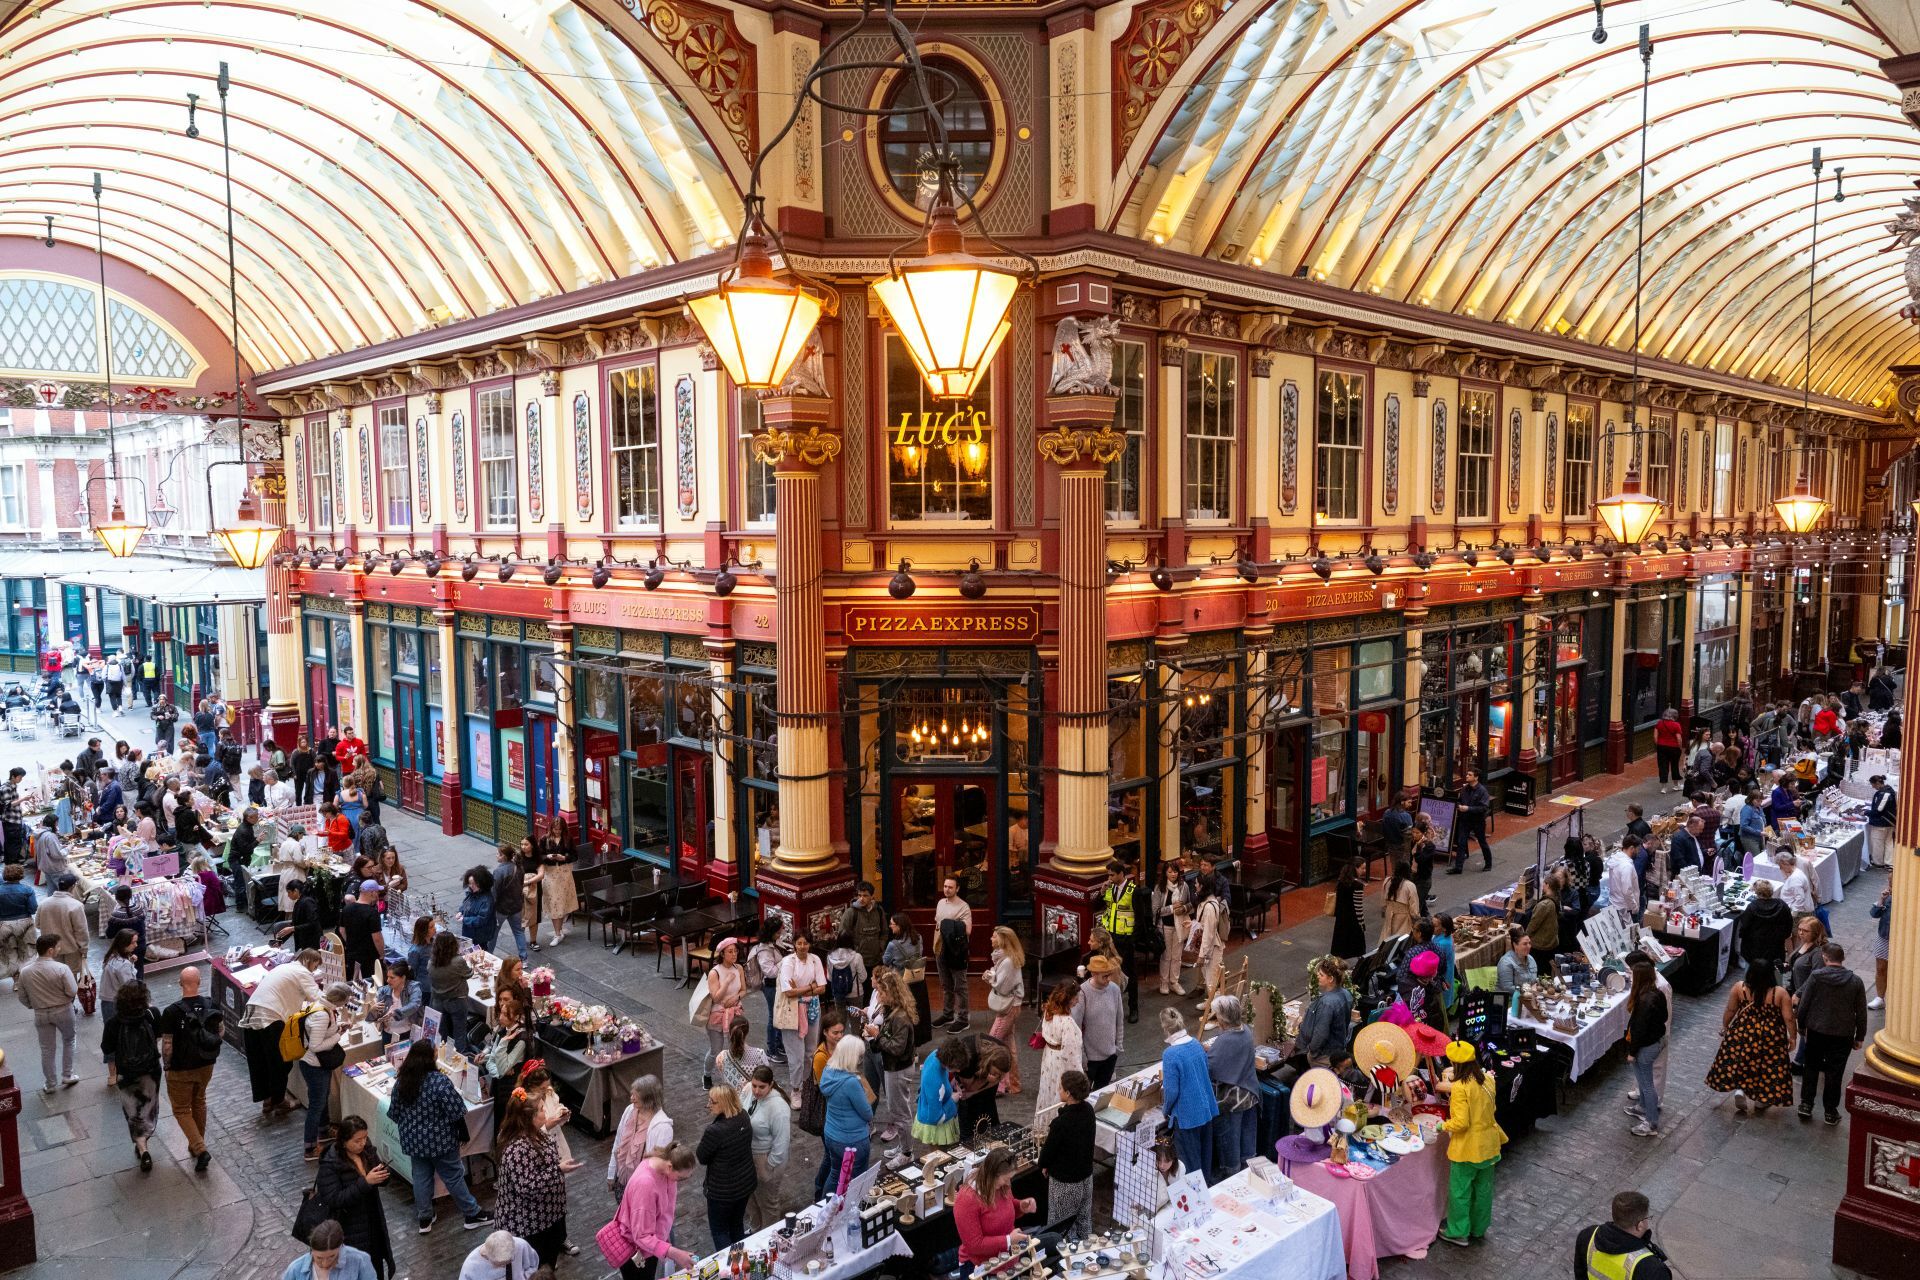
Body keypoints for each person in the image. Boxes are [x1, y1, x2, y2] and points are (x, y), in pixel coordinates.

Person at [385, 1038, 492, 1233]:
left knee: (420, 1177)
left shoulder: (402, 1082)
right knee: (453, 1177)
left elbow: (394, 1113)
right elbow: (457, 1110)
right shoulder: (439, 1082)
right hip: (440, 1141)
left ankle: (425, 1218)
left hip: (413, 1141)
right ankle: (472, 1213)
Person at [1434, 1040, 1505, 1247]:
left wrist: (1441, 1126)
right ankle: (1478, 1228)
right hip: (1489, 1143)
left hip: (1467, 1148)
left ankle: (1458, 1232)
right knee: (1483, 1190)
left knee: (1460, 1192)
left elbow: (1461, 1123)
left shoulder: (1460, 1087)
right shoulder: (1487, 1079)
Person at [1704, 959, 1796, 1117]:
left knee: (1744, 1061)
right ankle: (1761, 1099)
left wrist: (1725, 1026)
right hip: (1770, 1036)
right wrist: (1793, 1037)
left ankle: (1740, 1088)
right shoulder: (1779, 993)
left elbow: (1731, 1010)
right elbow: (1789, 1018)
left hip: (1744, 1031)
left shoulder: (1740, 988)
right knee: (1767, 1066)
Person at [314, 1116, 398, 1279]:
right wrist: (366, 1182)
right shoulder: (330, 1164)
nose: (362, 1143)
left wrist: (383, 1174)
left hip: (373, 1221)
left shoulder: (366, 1150)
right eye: (357, 1140)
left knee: (375, 1266)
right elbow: (334, 1199)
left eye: (365, 1138)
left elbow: (382, 1179)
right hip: (348, 1228)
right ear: (344, 1141)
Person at [240, 948, 323, 1113]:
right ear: (311, 962)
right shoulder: (302, 972)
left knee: (259, 1061)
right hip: (271, 1018)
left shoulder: (283, 967)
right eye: (315, 967)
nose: (314, 971)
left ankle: (267, 1098)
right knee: (280, 1061)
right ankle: (279, 1101)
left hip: (252, 1015)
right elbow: (317, 998)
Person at [494, 1088, 569, 1267]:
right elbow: (526, 1187)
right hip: (529, 1226)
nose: (545, 1112)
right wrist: (558, 1170)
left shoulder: (537, 1133)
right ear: (530, 1117)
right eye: (542, 1109)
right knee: (534, 1270)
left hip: (549, 1218)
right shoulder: (516, 1148)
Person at [158, 965, 222, 1172]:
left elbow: (167, 1044)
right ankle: (196, 1144)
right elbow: (220, 1031)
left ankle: (200, 1149)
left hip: (181, 1067)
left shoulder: (171, 1012)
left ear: (179, 983)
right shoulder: (211, 1004)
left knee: (181, 1108)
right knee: (199, 1101)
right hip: (206, 1064)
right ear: (199, 982)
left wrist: (167, 1066)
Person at [1795, 941, 1867, 1125]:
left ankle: (1806, 1104)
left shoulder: (1816, 977)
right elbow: (1861, 1011)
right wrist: (1860, 1036)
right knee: (1835, 1072)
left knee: (1811, 1067)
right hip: (1843, 1033)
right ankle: (1830, 1111)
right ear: (1843, 959)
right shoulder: (1856, 981)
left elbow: (1805, 1003)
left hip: (1817, 1030)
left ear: (1825, 958)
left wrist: (1801, 1025)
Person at [604, 1142, 698, 1280]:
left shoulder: (662, 1166)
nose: (682, 1181)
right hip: (638, 1255)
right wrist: (675, 1253)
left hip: (650, 1249)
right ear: (670, 1166)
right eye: (681, 1178)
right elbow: (641, 1236)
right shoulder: (645, 1185)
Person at [100, 978, 163, 1172]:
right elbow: (159, 1035)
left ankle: (142, 1146)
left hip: (126, 1073)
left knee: (132, 1110)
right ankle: (145, 1140)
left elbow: (107, 1047)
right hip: (150, 1070)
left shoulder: (113, 1022)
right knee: (148, 1108)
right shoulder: (152, 1014)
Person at [955, 1146, 1047, 1266]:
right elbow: (974, 1245)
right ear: (993, 1175)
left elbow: (1004, 1210)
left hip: (1008, 1258)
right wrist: (1008, 1240)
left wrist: (1020, 1206)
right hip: (980, 1266)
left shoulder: (1002, 1186)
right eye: (1006, 1179)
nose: (1009, 1183)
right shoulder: (967, 1199)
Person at [1158, 1007, 1218, 1179]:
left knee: (1190, 1166)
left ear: (1165, 1028)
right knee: (1205, 1160)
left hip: (1187, 1117)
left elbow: (1171, 1090)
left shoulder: (1170, 1054)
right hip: (1206, 1110)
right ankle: (1206, 1196)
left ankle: (1195, 1201)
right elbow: (1206, 1071)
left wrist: (1166, 1109)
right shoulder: (1196, 1044)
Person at [1205, 994, 1259, 1178]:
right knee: (1246, 1139)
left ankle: (1231, 1174)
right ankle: (1247, 1172)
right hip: (1249, 1093)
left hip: (1232, 1100)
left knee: (1230, 1141)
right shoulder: (1246, 1030)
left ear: (1223, 1017)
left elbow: (1211, 1068)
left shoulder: (1226, 1040)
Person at [697, 1084, 757, 1248]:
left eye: (713, 1102)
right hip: (744, 1184)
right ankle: (741, 1263)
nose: (708, 1104)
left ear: (724, 1103)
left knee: (720, 1231)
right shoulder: (743, 1116)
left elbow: (702, 1156)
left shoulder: (715, 1131)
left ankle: (728, 1267)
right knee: (737, 1225)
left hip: (722, 1191)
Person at [299, 984, 355, 1161]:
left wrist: (338, 1028)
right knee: (316, 1105)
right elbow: (315, 1046)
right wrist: (338, 1036)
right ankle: (310, 1147)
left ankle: (323, 1131)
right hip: (314, 1065)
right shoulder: (322, 1015)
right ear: (338, 1000)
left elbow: (321, 1034)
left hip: (317, 1065)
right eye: (344, 1002)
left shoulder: (322, 1007)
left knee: (322, 1098)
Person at [17, 935, 79, 1094]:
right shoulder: (61, 968)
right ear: (50, 950)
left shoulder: (25, 972)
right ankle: (67, 1074)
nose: (60, 949)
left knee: (46, 1049)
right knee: (69, 1040)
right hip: (63, 1010)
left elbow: (22, 997)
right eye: (58, 947)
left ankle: (50, 1083)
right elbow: (72, 991)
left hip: (41, 1014)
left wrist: (34, 1005)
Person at [1038, 1068, 1095, 1239]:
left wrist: (1044, 1164)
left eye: (1061, 1088)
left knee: (1062, 1227)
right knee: (1084, 1219)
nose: (1058, 1090)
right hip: (1086, 1177)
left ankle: (1065, 1262)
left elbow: (1047, 1153)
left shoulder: (1061, 1123)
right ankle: (1087, 1253)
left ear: (1069, 1093)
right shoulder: (1088, 1111)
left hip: (1066, 1184)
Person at [816, 1034, 874, 1199]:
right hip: (853, 1140)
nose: (860, 1060)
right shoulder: (851, 1083)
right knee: (856, 1181)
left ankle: (826, 1206)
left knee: (835, 1173)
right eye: (859, 1056)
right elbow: (867, 1113)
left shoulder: (827, 1071)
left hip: (832, 1135)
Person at [1574, 1191, 1674, 1280]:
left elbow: (1580, 1274)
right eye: (1647, 1218)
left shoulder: (1587, 1235)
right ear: (1639, 1225)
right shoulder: (1653, 1269)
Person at [868, 969, 918, 1141]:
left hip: (898, 1068)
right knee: (897, 1110)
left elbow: (896, 1048)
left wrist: (877, 1036)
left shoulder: (900, 1017)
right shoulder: (892, 1012)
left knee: (900, 1113)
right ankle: (903, 1148)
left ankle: (906, 1153)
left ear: (890, 993)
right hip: (894, 1067)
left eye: (881, 992)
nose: (879, 996)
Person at [775, 931, 828, 1093]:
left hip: (812, 1009)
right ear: (794, 944)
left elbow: (822, 988)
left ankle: (807, 1084)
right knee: (796, 1056)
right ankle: (795, 1089)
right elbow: (788, 992)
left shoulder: (815, 960)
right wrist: (810, 986)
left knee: (810, 1052)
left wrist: (800, 989)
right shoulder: (788, 962)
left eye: (805, 943)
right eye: (799, 943)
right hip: (792, 1011)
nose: (802, 947)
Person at [607, 1074, 673, 1195]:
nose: (631, 1099)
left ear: (648, 1099)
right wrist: (611, 1174)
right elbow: (618, 1142)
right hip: (622, 1180)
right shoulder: (630, 1110)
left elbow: (658, 1164)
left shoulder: (663, 1127)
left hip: (643, 1189)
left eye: (635, 1096)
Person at [1034, 979, 1085, 1136]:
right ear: (1068, 999)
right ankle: (1055, 1131)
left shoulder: (1049, 1012)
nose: (1077, 1001)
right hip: (1060, 1063)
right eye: (1076, 997)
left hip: (1049, 1058)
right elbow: (1071, 1055)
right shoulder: (1067, 1022)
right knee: (1058, 1095)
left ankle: (1042, 1131)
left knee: (1047, 1092)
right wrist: (1080, 1078)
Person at [1624, 962, 1669, 1138]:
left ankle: (1651, 1123)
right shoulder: (1657, 993)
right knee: (1644, 1081)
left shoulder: (1643, 1000)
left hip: (1645, 1047)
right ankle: (1642, 1108)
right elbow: (1664, 1016)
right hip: (1656, 1041)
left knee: (1646, 1084)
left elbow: (1639, 1030)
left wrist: (1632, 1052)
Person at [743, 1066, 791, 1230]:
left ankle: (770, 1234)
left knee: (768, 1201)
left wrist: (769, 1166)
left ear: (770, 1085)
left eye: (761, 1087)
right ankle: (756, 1227)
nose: (756, 1090)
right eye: (754, 1085)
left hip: (766, 1157)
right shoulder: (748, 1089)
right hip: (747, 1155)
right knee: (750, 1196)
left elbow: (781, 1142)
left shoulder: (779, 1107)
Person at [1095, 859, 1141, 1023]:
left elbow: (1140, 916)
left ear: (1121, 874)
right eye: (1108, 875)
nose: (1110, 878)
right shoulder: (1109, 888)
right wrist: (1101, 892)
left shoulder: (1133, 890)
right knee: (1110, 973)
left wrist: (1132, 939)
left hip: (1125, 938)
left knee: (1129, 973)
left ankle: (1133, 1007)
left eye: (1112, 875)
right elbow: (1098, 906)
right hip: (1110, 938)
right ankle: (1112, 1008)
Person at [984, 925, 1026, 1093]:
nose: (991, 939)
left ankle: (998, 1085)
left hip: (1008, 1008)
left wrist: (990, 978)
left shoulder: (1007, 961)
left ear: (1002, 940)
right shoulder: (1004, 959)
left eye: (994, 936)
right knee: (1009, 1047)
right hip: (1011, 1006)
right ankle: (1013, 1084)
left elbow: (1002, 986)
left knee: (991, 1043)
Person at [1074, 954, 1125, 1088]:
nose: (1108, 979)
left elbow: (1119, 1019)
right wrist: (1083, 1058)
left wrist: (1118, 1046)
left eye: (1109, 975)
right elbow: (1076, 1027)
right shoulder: (1082, 993)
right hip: (1090, 1059)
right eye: (1105, 976)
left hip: (1110, 1055)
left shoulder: (1114, 989)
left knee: (1102, 1093)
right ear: (1094, 974)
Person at [703, 937, 748, 1088]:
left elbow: (743, 990)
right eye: (730, 952)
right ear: (722, 954)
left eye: (735, 951)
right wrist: (727, 982)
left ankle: (732, 1078)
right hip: (718, 1015)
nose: (734, 954)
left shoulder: (739, 968)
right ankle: (707, 1074)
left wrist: (737, 996)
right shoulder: (714, 973)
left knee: (735, 1046)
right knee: (716, 1050)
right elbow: (716, 997)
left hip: (735, 1014)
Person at [933, 876, 973, 1030]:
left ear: (957, 889)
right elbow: (937, 925)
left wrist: (948, 925)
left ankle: (963, 1019)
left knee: (960, 986)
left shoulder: (964, 907)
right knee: (945, 984)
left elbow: (968, 930)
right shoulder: (940, 903)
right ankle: (948, 1014)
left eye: (950, 887)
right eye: (945, 886)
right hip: (940, 949)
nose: (946, 889)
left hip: (956, 951)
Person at [281, 1220, 380, 1280]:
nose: (325, 1264)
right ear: (312, 1249)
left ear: (341, 1246)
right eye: (319, 1258)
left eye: (332, 1256)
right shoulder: (295, 1269)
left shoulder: (360, 1260)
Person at [838, 881, 887, 995]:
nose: (861, 899)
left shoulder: (879, 911)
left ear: (872, 897)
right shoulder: (851, 913)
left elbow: (884, 932)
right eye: (859, 895)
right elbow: (842, 936)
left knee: (876, 992)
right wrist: (853, 954)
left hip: (876, 960)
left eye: (865, 896)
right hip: (858, 962)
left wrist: (880, 947)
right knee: (860, 994)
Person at [428, 933, 475, 1052]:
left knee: (441, 1032)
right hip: (457, 1001)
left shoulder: (431, 963)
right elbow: (468, 973)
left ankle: (442, 1056)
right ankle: (459, 1057)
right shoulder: (458, 961)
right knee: (459, 1032)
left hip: (438, 1001)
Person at [915, 1037, 965, 1147]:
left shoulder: (936, 1054)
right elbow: (936, 1117)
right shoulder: (935, 1082)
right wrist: (952, 1100)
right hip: (937, 1126)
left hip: (931, 1113)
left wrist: (951, 1085)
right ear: (949, 1062)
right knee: (941, 1156)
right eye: (957, 1067)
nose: (959, 1070)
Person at [534, 825, 579, 948]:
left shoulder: (568, 838)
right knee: (554, 902)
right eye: (555, 829)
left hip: (564, 874)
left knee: (562, 902)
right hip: (551, 874)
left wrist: (564, 857)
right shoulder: (544, 839)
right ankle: (557, 933)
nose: (557, 831)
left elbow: (575, 855)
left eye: (559, 829)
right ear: (551, 828)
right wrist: (547, 857)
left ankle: (559, 929)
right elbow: (538, 856)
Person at [35, 873, 87, 978]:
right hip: (71, 948)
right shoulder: (76, 906)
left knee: (55, 977)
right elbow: (81, 931)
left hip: (50, 949)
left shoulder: (43, 903)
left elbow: (38, 924)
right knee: (70, 977)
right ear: (73, 886)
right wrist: (84, 948)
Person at [1152, 861, 1191, 996]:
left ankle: (1174, 982)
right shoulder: (1159, 888)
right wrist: (1171, 908)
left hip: (1180, 925)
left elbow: (1189, 904)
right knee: (1166, 956)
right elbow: (1155, 910)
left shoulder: (1184, 886)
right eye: (1170, 872)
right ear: (1165, 873)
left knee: (1177, 956)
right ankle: (1164, 982)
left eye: (1175, 871)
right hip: (1165, 926)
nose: (1173, 874)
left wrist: (1184, 908)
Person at [1736, 879, 1794, 970]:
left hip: (1754, 950)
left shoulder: (1752, 907)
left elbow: (1744, 929)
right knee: (1776, 977)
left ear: (1757, 892)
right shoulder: (1782, 905)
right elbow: (1788, 927)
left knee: (1751, 977)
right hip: (1776, 949)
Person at [369, 960, 426, 1044]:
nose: (388, 980)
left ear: (403, 977)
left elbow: (414, 1005)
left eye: (392, 977)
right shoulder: (383, 991)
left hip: (408, 1034)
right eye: (387, 977)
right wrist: (373, 1010)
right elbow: (377, 1017)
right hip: (388, 1034)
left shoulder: (413, 988)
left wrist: (395, 1013)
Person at [491, 843, 529, 962]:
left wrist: (491, 907)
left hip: (502, 908)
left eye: (498, 854)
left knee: (493, 933)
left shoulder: (499, 871)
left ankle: (488, 955)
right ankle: (524, 958)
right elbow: (521, 884)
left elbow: (494, 891)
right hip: (516, 906)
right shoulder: (519, 867)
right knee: (518, 932)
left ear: (503, 856)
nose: (496, 855)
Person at [341, 880, 383, 983]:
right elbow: (377, 938)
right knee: (368, 983)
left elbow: (342, 930)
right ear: (372, 893)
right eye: (377, 892)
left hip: (352, 953)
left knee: (355, 982)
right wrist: (382, 954)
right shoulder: (372, 913)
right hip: (368, 956)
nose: (378, 895)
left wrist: (351, 942)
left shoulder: (347, 908)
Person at [1450, 769, 1493, 872]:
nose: (1467, 776)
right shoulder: (1464, 789)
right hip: (1465, 820)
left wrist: (1468, 808)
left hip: (1477, 821)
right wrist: (1458, 806)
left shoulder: (1482, 791)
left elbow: (1484, 808)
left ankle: (1488, 863)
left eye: (1470, 775)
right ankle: (1458, 867)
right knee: (1461, 842)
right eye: (1467, 774)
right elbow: (1458, 800)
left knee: (1482, 842)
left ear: (1476, 777)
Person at [458, 1231, 540, 1280]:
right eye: (499, 1264)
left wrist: (525, 1278)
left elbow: (533, 1266)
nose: (504, 1266)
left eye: (509, 1261)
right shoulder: (469, 1268)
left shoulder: (521, 1245)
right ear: (487, 1255)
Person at [1329, 857, 1367, 959]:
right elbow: (1358, 908)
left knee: (1340, 950)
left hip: (1341, 920)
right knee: (1359, 950)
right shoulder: (1358, 885)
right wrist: (1362, 924)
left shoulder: (1341, 881)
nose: (1364, 871)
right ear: (1356, 868)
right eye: (1362, 868)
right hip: (1353, 922)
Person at [1785, 915, 1830, 998]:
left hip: (1807, 996)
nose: (1801, 933)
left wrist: (1799, 994)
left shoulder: (1818, 953)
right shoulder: (1804, 943)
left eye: (1805, 931)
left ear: (1815, 933)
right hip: (1797, 990)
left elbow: (1816, 977)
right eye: (1799, 929)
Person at [459, 866, 499, 952]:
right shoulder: (472, 893)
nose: (471, 886)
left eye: (474, 883)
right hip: (470, 932)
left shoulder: (487, 900)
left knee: (479, 953)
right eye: (469, 883)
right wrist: (461, 911)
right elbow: (466, 905)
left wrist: (464, 919)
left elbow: (481, 919)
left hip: (480, 935)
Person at [1382, 858, 1420, 940]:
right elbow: (1414, 910)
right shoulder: (1410, 885)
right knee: (1400, 941)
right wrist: (1417, 920)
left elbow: (1384, 902)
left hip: (1389, 914)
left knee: (1387, 939)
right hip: (1404, 919)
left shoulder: (1387, 881)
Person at [1868, 775, 1897, 869]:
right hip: (1890, 822)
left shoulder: (1884, 793)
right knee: (1888, 842)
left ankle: (1878, 862)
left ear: (1877, 783)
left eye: (1873, 785)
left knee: (1877, 842)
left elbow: (1878, 810)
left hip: (1881, 822)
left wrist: (1866, 812)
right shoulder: (1890, 791)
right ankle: (1889, 862)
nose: (1872, 787)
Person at [1872, 885, 1893, 1012]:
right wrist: (1881, 900)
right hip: (1884, 936)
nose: (1890, 887)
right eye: (1890, 883)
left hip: (1900, 939)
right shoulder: (1888, 897)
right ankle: (1880, 998)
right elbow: (1874, 913)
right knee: (1880, 967)